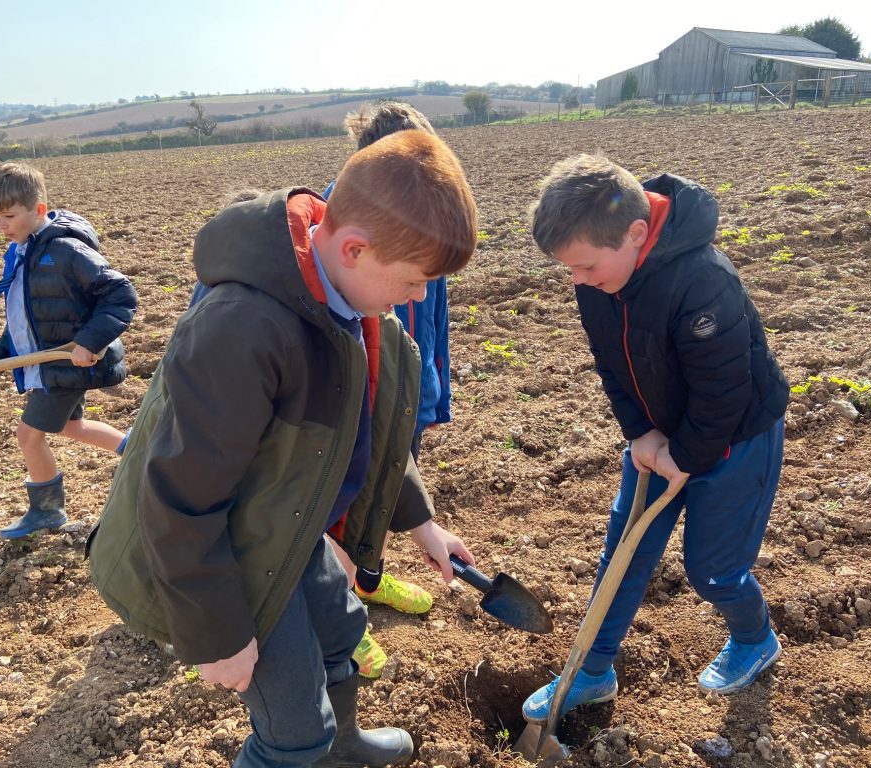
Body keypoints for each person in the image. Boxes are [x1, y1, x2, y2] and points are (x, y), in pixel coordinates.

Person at [89, 129, 479, 768]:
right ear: (355, 248)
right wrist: (219, 634)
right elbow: (179, 494)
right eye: (414, 283)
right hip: (228, 551)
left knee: (342, 632)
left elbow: (365, 433)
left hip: (286, 524)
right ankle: (306, 750)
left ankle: (344, 748)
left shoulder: (345, 305)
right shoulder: (244, 330)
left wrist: (422, 524)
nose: (416, 300)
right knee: (292, 725)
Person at [521, 155, 789, 724]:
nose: (578, 280)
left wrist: (685, 456)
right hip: (658, 437)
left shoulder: (703, 282)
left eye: (586, 266)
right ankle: (591, 671)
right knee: (624, 552)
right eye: (569, 269)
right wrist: (641, 434)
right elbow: (611, 366)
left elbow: (724, 394)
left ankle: (754, 638)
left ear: (636, 234)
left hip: (737, 441)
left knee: (712, 570)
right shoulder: (598, 281)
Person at [322, 102, 453, 679]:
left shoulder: (426, 218)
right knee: (341, 507)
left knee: (386, 490)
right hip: (360, 392)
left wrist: (428, 387)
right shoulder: (346, 234)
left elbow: (430, 312)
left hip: (404, 384)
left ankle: (365, 582)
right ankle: (335, 614)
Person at [0, 162, 136, 539]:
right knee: (68, 425)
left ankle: (46, 512)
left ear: (39, 210)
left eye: (9, 215)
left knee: (28, 435)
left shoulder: (64, 250)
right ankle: (137, 450)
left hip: (69, 361)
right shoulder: (20, 253)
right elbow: (24, 318)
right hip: (52, 364)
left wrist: (88, 342)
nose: (1, 225)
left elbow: (120, 294)